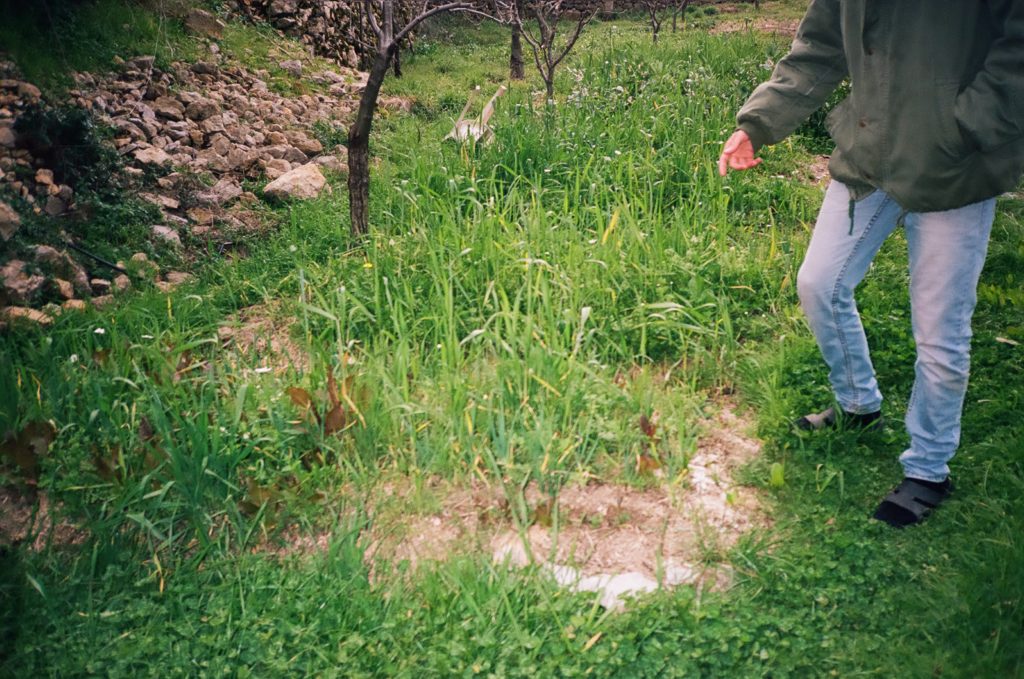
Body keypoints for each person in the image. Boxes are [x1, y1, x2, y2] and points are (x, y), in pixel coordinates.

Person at [718, 0, 1024, 527]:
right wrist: (758, 123)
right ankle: (859, 405)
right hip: (870, 155)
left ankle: (928, 468)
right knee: (819, 283)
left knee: (939, 331)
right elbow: (817, 48)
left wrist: (966, 126)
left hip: (953, 166)